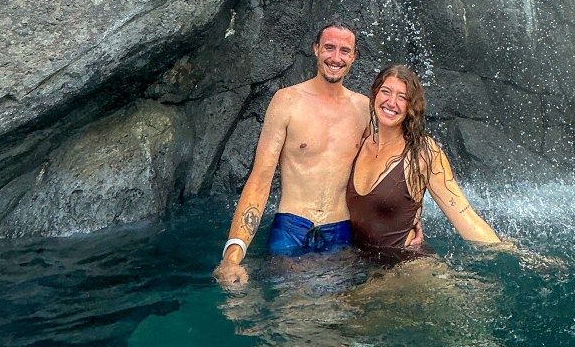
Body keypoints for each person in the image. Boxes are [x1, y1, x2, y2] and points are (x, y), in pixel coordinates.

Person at [215, 22, 370, 285]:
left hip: (341, 231)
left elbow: (381, 175)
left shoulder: (365, 108)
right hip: (291, 228)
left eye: (345, 51)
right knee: (291, 318)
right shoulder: (287, 101)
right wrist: (232, 255)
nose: (335, 57)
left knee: (339, 316)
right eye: (329, 48)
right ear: (316, 49)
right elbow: (260, 180)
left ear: (353, 56)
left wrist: (410, 223)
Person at [346, 64, 502, 258]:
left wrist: (508, 254)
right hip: (361, 264)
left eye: (402, 97)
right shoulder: (360, 143)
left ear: (411, 106)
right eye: (386, 91)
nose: (391, 102)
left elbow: (464, 215)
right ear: (374, 94)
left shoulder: (422, 152)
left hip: (404, 267)